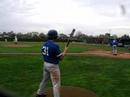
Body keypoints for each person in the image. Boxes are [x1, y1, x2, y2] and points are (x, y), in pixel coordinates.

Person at [36, 29, 68, 97]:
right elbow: (61, 58)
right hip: (53, 66)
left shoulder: (44, 44)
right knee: (56, 83)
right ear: (55, 37)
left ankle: (39, 93)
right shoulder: (55, 46)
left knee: (44, 80)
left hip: (45, 64)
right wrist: (65, 51)